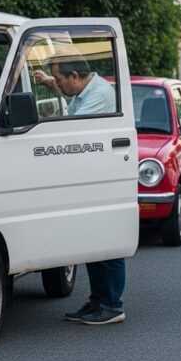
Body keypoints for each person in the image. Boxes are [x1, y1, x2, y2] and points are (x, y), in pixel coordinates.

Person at [34, 54, 125, 326]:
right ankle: (98, 300)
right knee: (94, 242)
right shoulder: (87, 92)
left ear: (75, 76)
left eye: (61, 78)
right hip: (92, 176)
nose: (58, 83)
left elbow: (72, 127)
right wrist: (54, 85)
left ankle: (111, 305)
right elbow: (73, 109)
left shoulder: (99, 96)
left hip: (103, 177)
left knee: (107, 242)